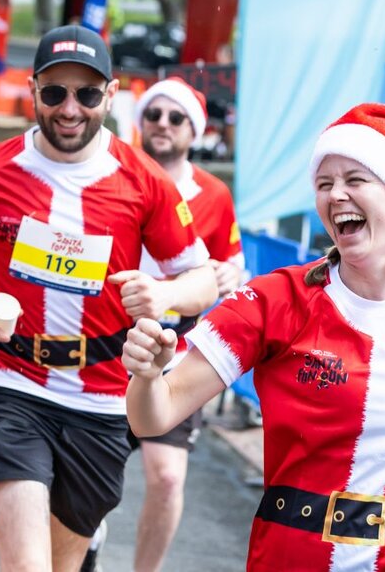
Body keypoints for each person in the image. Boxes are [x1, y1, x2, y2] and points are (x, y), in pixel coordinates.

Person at [124, 102, 385, 571]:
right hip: (297, 556)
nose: (336, 195)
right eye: (325, 184)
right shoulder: (274, 300)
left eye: (355, 180)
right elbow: (155, 415)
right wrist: (146, 376)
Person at [0, 24, 217, 572]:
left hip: (101, 398)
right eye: (55, 92)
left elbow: (202, 277)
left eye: (86, 94)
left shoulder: (145, 181)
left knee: (64, 563)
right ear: (33, 90)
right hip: (5, 379)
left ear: (110, 95)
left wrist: (164, 291)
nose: (69, 109)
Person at [123, 77, 244, 572]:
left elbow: (234, 268)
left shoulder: (213, 194)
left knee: (168, 476)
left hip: (174, 344)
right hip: (104, 337)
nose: (163, 126)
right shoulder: (115, 174)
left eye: (176, 119)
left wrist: (229, 273)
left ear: (194, 131)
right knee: (86, 470)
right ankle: (86, 534)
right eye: (154, 115)